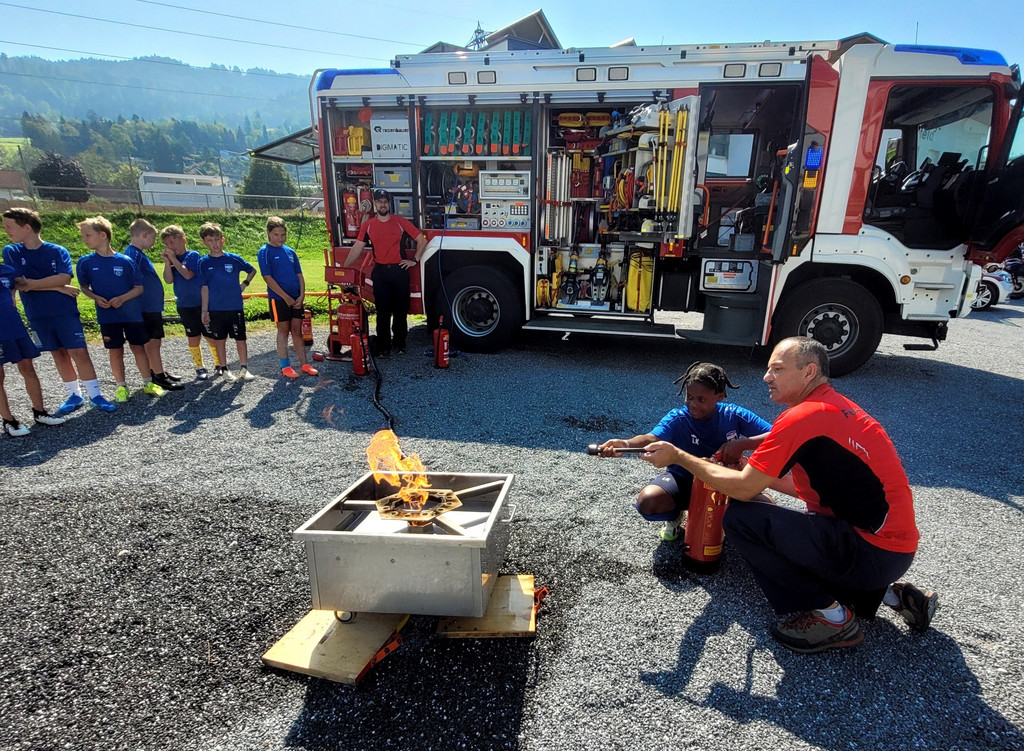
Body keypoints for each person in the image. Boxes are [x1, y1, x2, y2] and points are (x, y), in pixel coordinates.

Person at [640, 337, 937, 653]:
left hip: (869, 551)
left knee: (741, 519)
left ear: (809, 372)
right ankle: (894, 596)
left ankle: (832, 617)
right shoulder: (834, 408)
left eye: (777, 369)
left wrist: (680, 458)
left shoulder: (802, 417)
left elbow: (743, 488)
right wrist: (748, 461)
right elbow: (798, 487)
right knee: (803, 527)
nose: (767, 377)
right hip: (892, 552)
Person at [598, 362, 772, 541]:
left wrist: (743, 443)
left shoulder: (734, 414)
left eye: (701, 399)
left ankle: (724, 519)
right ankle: (674, 517)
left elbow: (778, 435)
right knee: (648, 501)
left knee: (768, 508)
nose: (693, 404)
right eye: (689, 397)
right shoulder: (678, 418)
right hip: (684, 480)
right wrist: (625, 444)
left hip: (725, 483)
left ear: (720, 396)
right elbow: (652, 438)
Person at [2, 207, 115, 413]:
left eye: (9, 226)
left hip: (64, 310)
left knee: (79, 351)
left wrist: (43, 284)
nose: (6, 230)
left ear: (27, 227)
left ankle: (96, 394)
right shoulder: (12, 251)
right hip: (37, 313)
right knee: (58, 353)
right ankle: (74, 394)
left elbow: (64, 277)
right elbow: (17, 282)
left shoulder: (57, 251)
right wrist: (57, 287)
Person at [75, 216, 166, 403]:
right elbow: (84, 287)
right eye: (83, 235)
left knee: (138, 348)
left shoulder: (125, 261)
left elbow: (138, 288)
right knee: (115, 351)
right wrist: (96, 298)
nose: (84, 239)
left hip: (131, 314)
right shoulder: (85, 262)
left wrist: (122, 298)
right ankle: (121, 386)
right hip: (108, 316)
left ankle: (148, 382)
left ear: (103, 235)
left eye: (88, 235)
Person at [346, 188, 426, 357]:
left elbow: (421, 239)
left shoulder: (400, 222)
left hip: (399, 271)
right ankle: (384, 347)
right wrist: (345, 268)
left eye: (385, 201)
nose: (383, 204)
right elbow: (357, 247)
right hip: (380, 272)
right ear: (374, 204)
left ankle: (400, 344)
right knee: (382, 312)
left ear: (389, 203)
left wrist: (415, 260)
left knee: (400, 311)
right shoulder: (368, 225)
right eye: (379, 201)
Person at [0, 259, 66, 435]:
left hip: (13, 326)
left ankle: (40, 412)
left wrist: (61, 287)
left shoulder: (7, 271)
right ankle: (8, 421)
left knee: (28, 368)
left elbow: (24, 284)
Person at [122, 218, 183, 391]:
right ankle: (158, 375)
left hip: (150, 305)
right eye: (153, 238)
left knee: (154, 341)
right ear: (144, 235)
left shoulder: (138, 254)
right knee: (153, 342)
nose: (154, 242)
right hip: (145, 306)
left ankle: (157, 371)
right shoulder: (133, 255)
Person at [257, 216, 317, 379]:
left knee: (297, 331)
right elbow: (268, 278)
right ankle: (285, 366)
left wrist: (302, 295)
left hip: (296, 298)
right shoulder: (265, 252)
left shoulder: (290, 252)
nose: (280, 238)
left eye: (283, 235)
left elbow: (299, 275)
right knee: (283, 331)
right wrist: (286, 297)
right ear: (269, 234)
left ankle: (304, 363)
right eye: (276, 235)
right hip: (279, 299)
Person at [198, 222, 257, 382]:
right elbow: (204, 288)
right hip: (216, 308)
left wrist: (244, 284)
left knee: (240, 337)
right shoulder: (203, 263)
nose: (214, 244)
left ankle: (244, 368)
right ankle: (224, 369)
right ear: (204, 242)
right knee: (219, 340)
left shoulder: (233, 259)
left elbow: (252, 270)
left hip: (235, 306)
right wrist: (204, 311)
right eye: (210, 240)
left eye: (217, 239)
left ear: (222, 240)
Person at [161, 225, 218, 380]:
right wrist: (168, 262)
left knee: (210, 335)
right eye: (167, 244)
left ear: (183, 240)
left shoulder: (192, 255)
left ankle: (219, 364)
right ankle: (199, 366)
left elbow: (187, 274)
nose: (170, 247)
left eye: (173, 242)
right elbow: (168, 279)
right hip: (185, 305)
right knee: (192, 336)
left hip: (201, 303)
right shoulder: (172, 260)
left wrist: (173, 259)